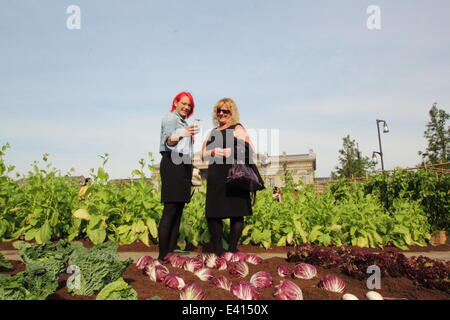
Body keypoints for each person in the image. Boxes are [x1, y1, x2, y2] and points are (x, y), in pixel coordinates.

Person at [201, 98, 264, 256]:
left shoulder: (238, 128)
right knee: (213, 214)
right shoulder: (212, 132)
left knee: (237, 211)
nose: (222, 113)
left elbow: (250, 150)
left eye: (226, 111)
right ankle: (218, 250)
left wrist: (232, 151)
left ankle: (232, 249)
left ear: (231, 113)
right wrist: (213, 152)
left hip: (235, 174)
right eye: (219, 111)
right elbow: (202, 154)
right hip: (216, 175)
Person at [158, 91, 199, 260]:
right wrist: (182, 134)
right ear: (175, 102)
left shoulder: (184, 122)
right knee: (170, 209)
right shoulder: (171, 118)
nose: (186, 107)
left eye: (189, 105)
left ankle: (170, 252)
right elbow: (169, 141)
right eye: (183, 103)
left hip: (183, 165)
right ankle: (162, 255)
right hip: (173, 164)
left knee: (178, 210)